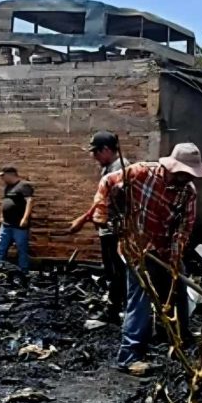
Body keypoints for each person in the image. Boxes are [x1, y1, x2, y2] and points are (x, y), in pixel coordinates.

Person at [89, 142, 202, 375]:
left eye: (191, 174)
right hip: (137, 247)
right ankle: (130, 357)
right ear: (173, 168)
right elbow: (107, 182)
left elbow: (184, 227)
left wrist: (174, 257)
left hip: (164, 249)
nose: (188, 178)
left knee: (177, 292)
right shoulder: (141, 173)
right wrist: (101, 211)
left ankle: (176, 340)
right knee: (141, 300)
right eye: (185, 173)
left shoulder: (188, 191)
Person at [68, 131, 127, 322]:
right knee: (111, 270)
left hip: (115, 230)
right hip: (107, 228)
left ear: (107, 150)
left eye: (96, 152)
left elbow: (107, 202)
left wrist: (84, 219)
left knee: (118, 271)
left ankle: (115, 309)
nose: (94, 157)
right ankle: (118, 306)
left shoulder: (119, 170)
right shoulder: (108, 168)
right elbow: (100, 200)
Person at [0, 166, 34, 276]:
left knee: (21, 248)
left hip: (18, 226)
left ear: (10, 174)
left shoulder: (23, 186)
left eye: (3, 175)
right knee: (0, 247)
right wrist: (1, 216)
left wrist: (25, 218)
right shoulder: (8, 187)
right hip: (6, 224)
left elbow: (30, 201)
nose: (2, 178)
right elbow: (4, 202)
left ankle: (23, 271)